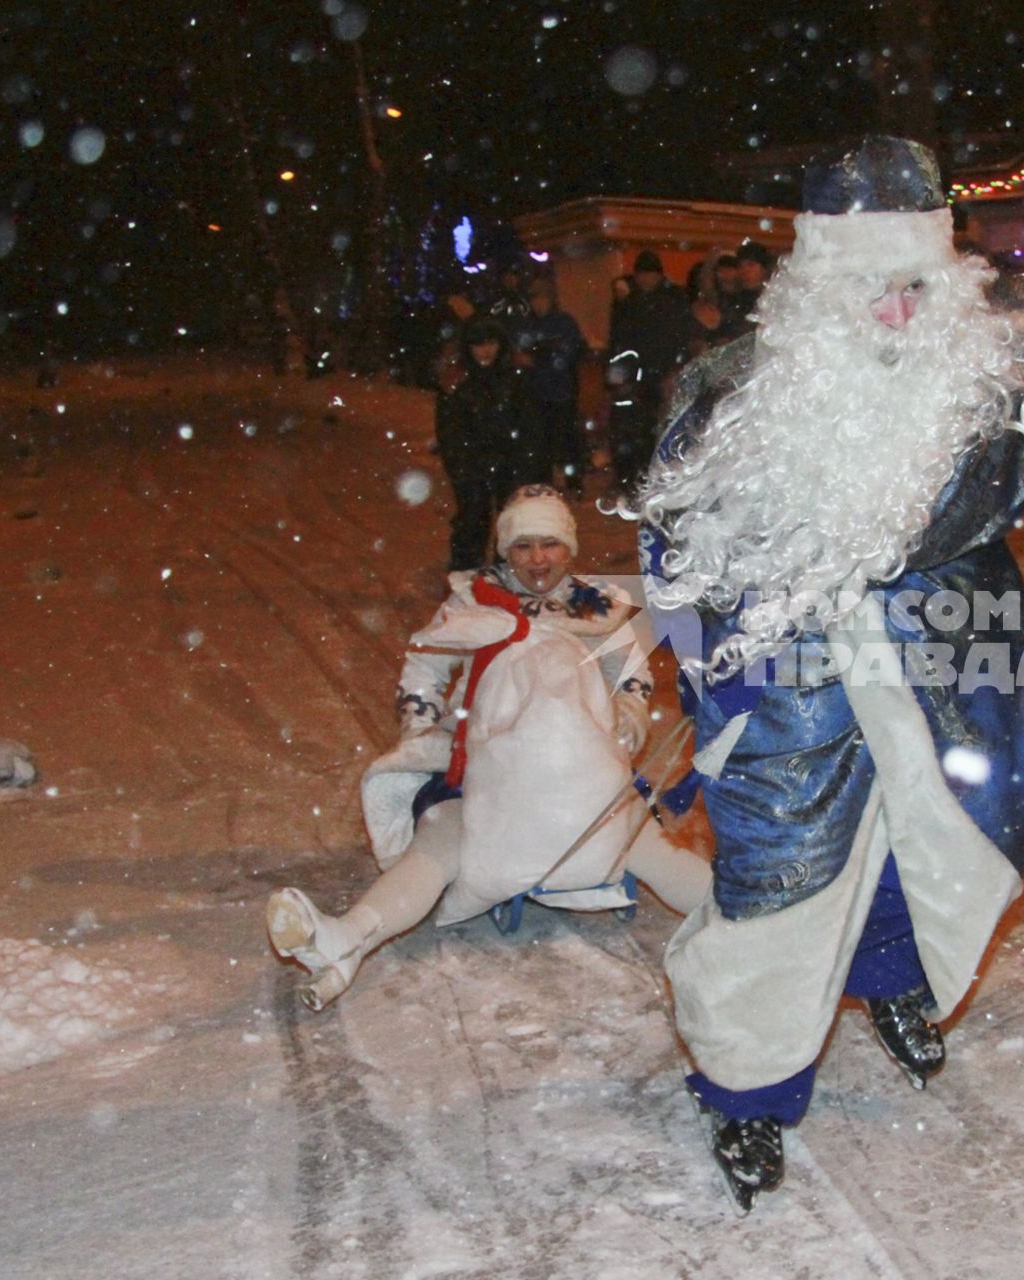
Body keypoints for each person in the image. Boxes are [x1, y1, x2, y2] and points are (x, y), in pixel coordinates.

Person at [627, 136, 1024, 1211]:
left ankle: (890, 974)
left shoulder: (1014, 365)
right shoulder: (731, 385)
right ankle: (746, 1081)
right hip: (792, 645)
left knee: (959, 833)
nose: (892, 307)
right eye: (863, 283)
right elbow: (668, 533)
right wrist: (716, 675)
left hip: (956, 628)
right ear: (811, 286)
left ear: (947, 272)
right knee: (783, 861)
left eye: (913, 282)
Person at [265, 487, 712, 1010]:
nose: (538, 559)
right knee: (442, 840)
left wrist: (630, 713)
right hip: (483, 759)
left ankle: (746, 919)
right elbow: (425, 664)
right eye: (523, 547)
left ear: (570, 548)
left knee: (640, 837)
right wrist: (424, 725)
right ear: (504, 550)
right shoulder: (475, 602)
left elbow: (628, 669)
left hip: (575, 761)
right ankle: (348, 938)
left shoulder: (596, 604)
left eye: (550, 544)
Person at [436, 315, 547, 571]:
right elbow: (449, 430)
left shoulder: (515, 380)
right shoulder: (458, 383)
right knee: (472, 519)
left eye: (490, 343)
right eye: (478, 345)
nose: (485, 351)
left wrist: (526, 462)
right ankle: (466, 571)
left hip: (509, 461)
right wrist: (459, 464)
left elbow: (530, 424)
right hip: (472, 462)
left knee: (511, 521)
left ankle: (506, 571)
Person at [607, 250, 695, 490]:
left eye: (650, 275)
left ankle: (656, 479)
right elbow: (619, 340)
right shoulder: (628, 301)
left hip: (664, 373)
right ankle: (631, 481)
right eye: (642, 275)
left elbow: (681, 337)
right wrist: (618, 377)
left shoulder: (672, 299)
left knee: (659, 430)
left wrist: (676, 369)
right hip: (633, 375)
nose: (646, 280)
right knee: (630, 431)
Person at [515, 278, 590, 489]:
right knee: (540, 444)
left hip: (560, 392)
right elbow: (518, 353)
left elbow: (566, 356)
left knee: (567, 441)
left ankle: (574, 483)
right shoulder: (529, 325)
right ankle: (544, 484)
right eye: (534, 299)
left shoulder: (563, 323)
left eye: (542, 299)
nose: (538, 304)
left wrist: (536, 361)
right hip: (536, 394)